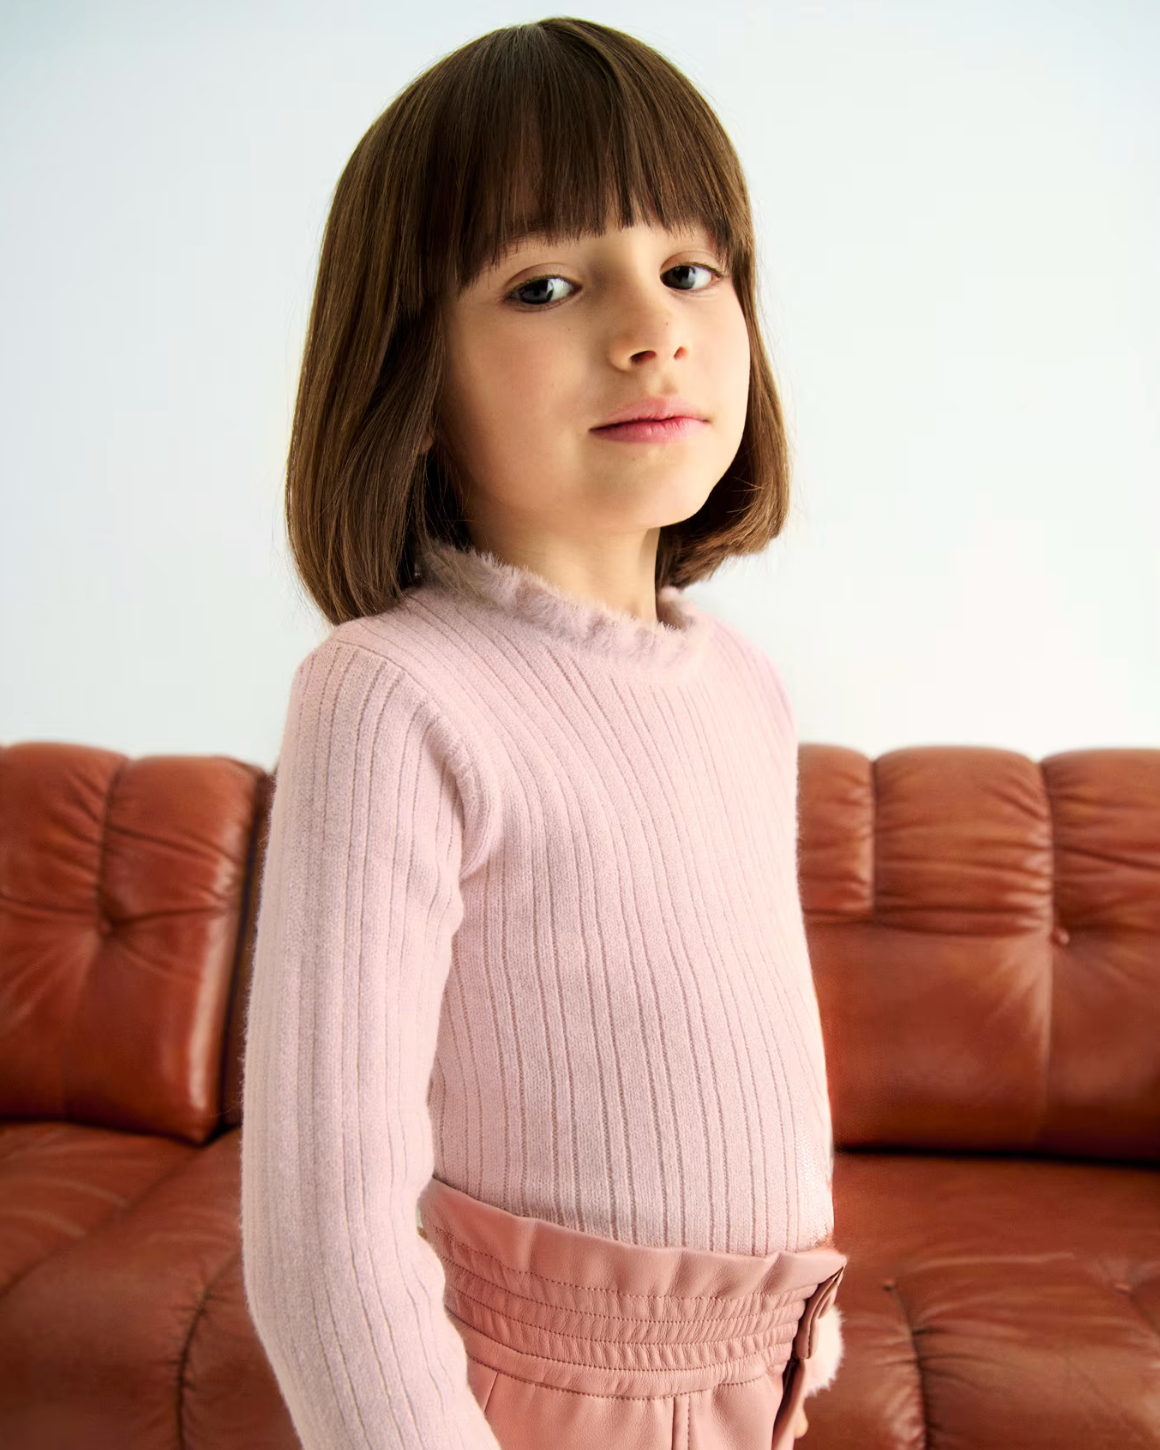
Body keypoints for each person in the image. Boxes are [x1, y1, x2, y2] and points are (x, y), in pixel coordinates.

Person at [240, 16, 847, 1450]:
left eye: (692, 268)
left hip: (759, 1373)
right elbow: (327, 1234)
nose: (653, 326)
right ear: (414, 381)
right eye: (549, 283)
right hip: (528, 1399)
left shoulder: (746, 687)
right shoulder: (396, 694)